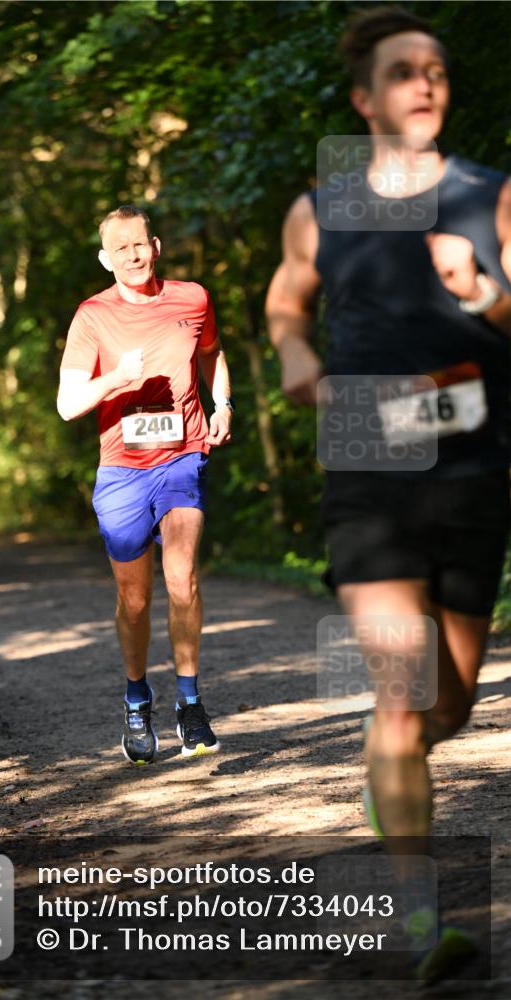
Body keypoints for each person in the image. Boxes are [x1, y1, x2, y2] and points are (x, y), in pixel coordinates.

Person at [266, 5, 510, 981]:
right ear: (365, 97)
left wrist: (484, 295)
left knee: (446, 704)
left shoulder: (491, 199)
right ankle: (419, 922)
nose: (425, 84)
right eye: (404, 71)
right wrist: (291, 348)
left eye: (437, 71)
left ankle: (390, 776)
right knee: (401, 700)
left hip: (473, 460)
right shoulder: (317, 208)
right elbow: (288, 296)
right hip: (365, 458)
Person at [58, 205, 234, 765]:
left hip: (183, 457)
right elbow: (67, 406)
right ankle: (137, 696)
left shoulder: (192, 297)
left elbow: (213, 354)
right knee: (134, 600)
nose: (133, 256)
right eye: (120, 248)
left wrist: (221, 403)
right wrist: (115, 377)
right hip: (121, 470)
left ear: (155, 246)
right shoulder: (91, 317)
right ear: (105, 258)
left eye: (140, 244)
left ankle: (190, 702)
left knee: (182, 577)